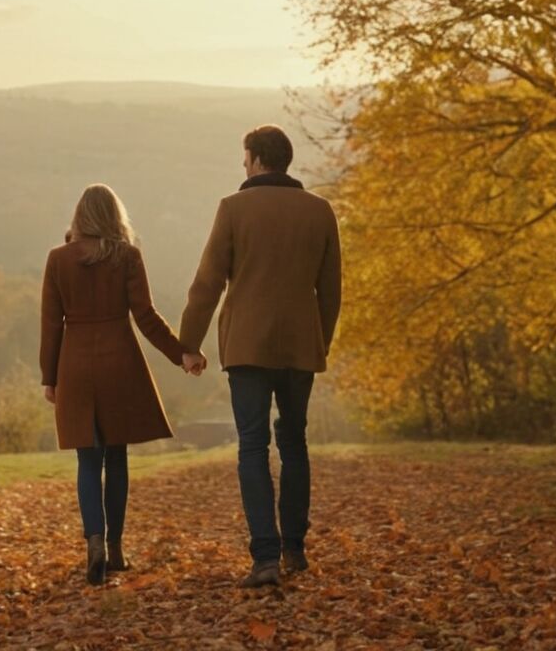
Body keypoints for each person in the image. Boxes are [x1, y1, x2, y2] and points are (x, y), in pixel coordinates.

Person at [180, 124, 342, 588]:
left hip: (248, 347)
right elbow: (330, 291)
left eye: (244, 157)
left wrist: (188, 344)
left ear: (254, 159)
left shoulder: (233, 208)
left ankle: (265, 558)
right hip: (299, 345)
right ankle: (295, 548)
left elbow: (207, 282)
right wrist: (320, 340)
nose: (242, 165)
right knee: (294, 443)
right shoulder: (320, 211)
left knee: (252, 446)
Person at [40, 183, 206, 586]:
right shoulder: (127, 256)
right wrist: (182, 352)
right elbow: (146, 316)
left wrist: (49, 377)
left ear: (79, 217)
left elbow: (50, 324)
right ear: (116, 218)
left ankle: (93, 542)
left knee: (87, 460)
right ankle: (115, 548)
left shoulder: (58, 260)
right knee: (116, 458)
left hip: (75, 365)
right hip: (120, 362)